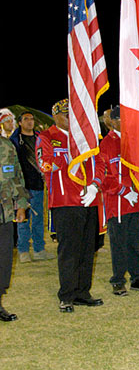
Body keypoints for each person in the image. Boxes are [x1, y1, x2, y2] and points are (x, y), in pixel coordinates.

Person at [36, 99, 104, 312]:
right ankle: (66, 295)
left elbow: (99, 163)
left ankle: (83, 292)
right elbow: (43, 164)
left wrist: (95, 184)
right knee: (69, 250)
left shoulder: (86, 137)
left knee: (87, 248)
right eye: (66, 114)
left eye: (72, 114)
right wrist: (68, 158)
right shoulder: (47, 137)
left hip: (89, 198)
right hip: (65, 202)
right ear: (54, 115)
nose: (70, 118)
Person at [98, 106, 139, 295]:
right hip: (118, 201)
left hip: (135, 200)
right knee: (118, 242)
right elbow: (104, 175)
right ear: (113, 121)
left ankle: (137, 277)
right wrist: (123, 191)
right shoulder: (106, 143)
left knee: (134, 241)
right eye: (123, 119)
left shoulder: (136, 140)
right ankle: (117, 279)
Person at [10, 110, 55, 262]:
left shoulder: (39, 138)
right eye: (26, 119)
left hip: (37, 184)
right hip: (21, 186)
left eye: (31, 119)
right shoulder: (14, 141)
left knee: (38, 218)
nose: (30, 121)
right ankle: (23, 250)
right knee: (23, 218)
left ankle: (39, 249)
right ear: (20, 122)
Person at [0, 134, 29, 321]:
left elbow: (17, 175)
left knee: (3, 260)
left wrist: (21, 204)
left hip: (5, 213)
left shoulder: (6, 145)